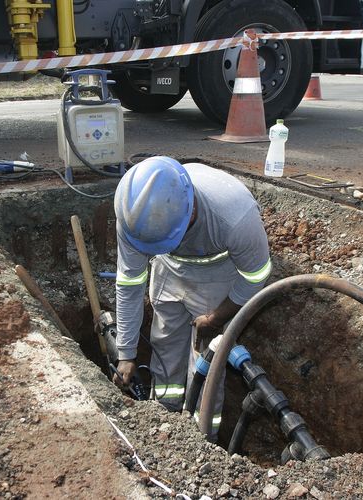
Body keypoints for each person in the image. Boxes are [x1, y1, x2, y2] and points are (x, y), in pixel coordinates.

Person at [112, 156, 271, 437]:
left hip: (217, 271)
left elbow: (256, 275)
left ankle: (202, 436)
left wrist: (217, 316)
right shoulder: (135, 219)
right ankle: (163, 416)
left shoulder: (234, 217)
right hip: (168, 265)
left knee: (206, 362)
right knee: (164, 345)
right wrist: (126, 353)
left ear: (192, 208)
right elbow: (129, 283)